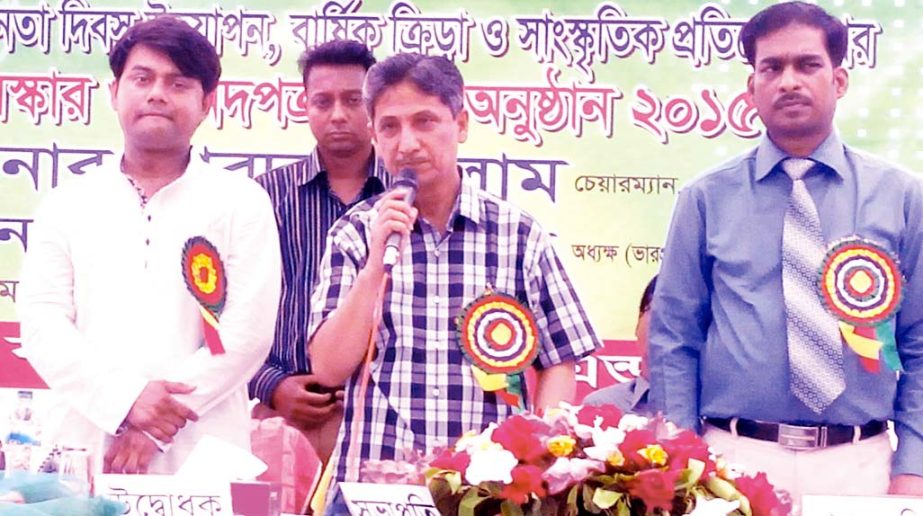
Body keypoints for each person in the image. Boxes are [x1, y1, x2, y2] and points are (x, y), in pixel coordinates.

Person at [648, 0, 923, 502]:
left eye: (808, 64)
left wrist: (914, 467)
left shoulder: (903, 198)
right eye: (771, 67)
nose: (789, 81)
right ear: (752, 88)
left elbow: (921, 342)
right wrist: (682, 460)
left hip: (862, 465)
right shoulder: (705, 198)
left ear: (839, 81)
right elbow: (674, 338)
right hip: (732, 460)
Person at [306, 53, 600, 512]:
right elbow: (326, 367)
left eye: (424, 121)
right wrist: (374, 267)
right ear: (375, 137)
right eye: (389, 127)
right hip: (375, 485)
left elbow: (560, 359)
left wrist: (543, 456)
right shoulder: (354, 233)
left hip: (487, 489)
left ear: (460, 123)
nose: (407, 143)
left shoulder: (518, 234)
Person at [17, 16, 280, 474]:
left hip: (203, 455)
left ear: (207, 104)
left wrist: (154, 423)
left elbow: (246, 334)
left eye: (178, 83)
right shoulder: (67, 203)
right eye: (142, 78)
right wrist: (123, 402)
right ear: (115, 92)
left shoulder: (241, 202)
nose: (157, 93)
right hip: (84, 450)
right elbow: (43, 325)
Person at [248, 40, 389, 465]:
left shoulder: (408, 197)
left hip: (385, 422)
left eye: (353, 100)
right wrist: (270, 384)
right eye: (323, 101)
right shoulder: (264, 197)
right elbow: (225, 313)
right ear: (304, 105)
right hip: (285, 420)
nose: (339, 115)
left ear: (373, 105)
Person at [583, 276, 656, 415]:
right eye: (659, 314)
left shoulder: (709, 414)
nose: (667, 328)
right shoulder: (599, 408)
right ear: (638, 321)